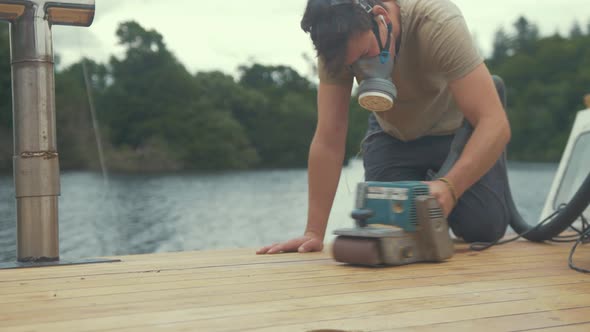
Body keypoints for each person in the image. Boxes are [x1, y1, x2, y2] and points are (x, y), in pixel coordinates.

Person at [257, 0, 512, 255]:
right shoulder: (335, 51)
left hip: (455, 132)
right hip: (392, 134)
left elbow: (495, 123)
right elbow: (328, 138)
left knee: (482, 229)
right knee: (386, 233)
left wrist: (451, 186)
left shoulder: (436, 21)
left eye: (366, 54)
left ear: (381, 18)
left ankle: (458, 186)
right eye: (352, 65)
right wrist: (313, 232)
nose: (363, 70)